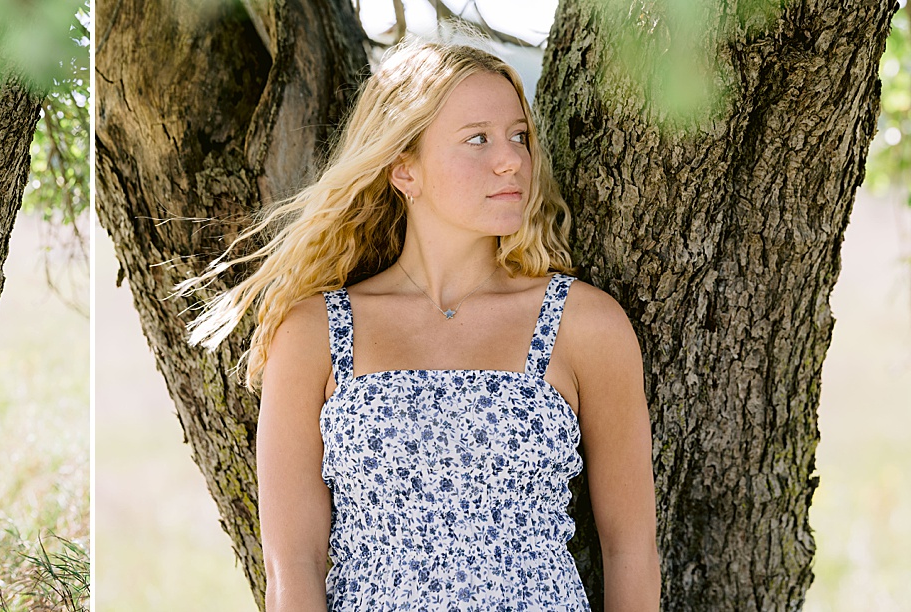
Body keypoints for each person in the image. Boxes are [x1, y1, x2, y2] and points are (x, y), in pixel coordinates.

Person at [184, 39, 660, 610]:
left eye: (519, 136)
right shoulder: (314, 332)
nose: (510, 158)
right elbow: (294, 563)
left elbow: (631, 550)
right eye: (477, 138)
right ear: (404, 169)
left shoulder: (584, 324)